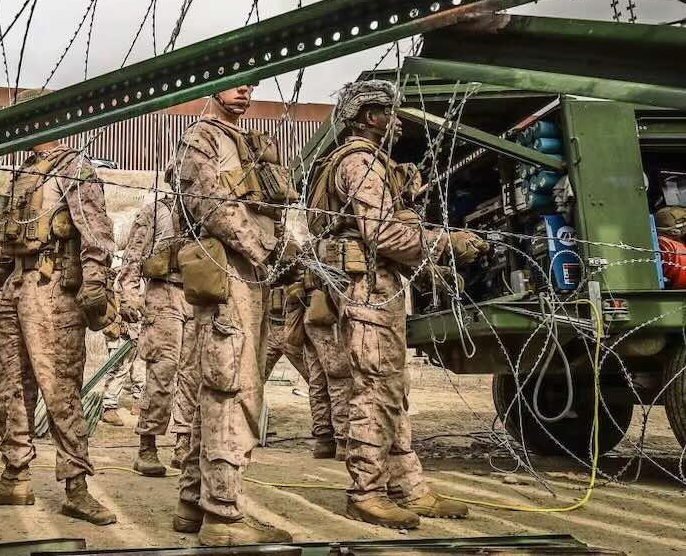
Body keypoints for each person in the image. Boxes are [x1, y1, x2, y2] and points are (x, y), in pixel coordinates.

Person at [305, 79, 486, 529]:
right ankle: (366, 492)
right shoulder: (362, 164)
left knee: (391, 390)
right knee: (373, 388)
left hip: (372, 287)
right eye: (392, 113)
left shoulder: (356, 163)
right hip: (367, 291)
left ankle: (407, 486)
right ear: (371, 116)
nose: (399, 123)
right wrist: (449, 243)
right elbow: (383, 234)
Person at [0, 87, 117, 526]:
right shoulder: (23, 173)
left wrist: (95, 287)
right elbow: (8, 244)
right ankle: (15, 476)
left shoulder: (75, 170)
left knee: (60, 390)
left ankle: (76, 487)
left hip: (53, 293)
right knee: (8, 385)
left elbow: (97, 235)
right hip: (16, 286)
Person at [169, 83, 295, 546]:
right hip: (227, 272)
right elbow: (212, 205)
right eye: (234, 81)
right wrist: (266, 251)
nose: (244, 90)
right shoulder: (201, 138)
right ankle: (221, 517)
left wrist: (282, 250)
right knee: (229, 385)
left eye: (251, 83)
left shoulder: (253, 143)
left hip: (251, 275)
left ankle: (192, 503)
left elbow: (274, 210)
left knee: (227, 383)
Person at [115, 193, 194, 475]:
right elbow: (133, 254)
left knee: (193, 375)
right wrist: (129, 294)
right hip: (164, 294)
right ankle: (147, 446)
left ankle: (184, 442)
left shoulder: (208, 212)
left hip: (198, 297)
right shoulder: (157, 211)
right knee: (163, 370)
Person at [263, 262, 341, 460]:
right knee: (335, 377)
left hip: (303, 318)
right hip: (309, 319)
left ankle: (326, 438)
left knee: (317, 379)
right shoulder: (309, 248)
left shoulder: (307, 248)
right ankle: (340, 439)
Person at [99, 317, 145, 428]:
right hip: (120, 330)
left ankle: (139, 401)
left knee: (140, 367)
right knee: (117, 370)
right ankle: (109, 408)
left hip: (139, 329)